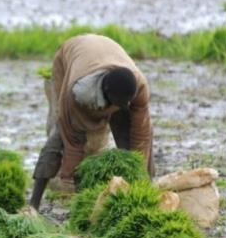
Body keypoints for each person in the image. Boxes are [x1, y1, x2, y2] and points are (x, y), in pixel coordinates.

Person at [29, 34, 155, 209]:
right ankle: (34, 202)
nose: (125, 106)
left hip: (107, 54)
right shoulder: (78, 93)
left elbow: (142, 135)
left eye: (127, 102)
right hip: (72, 59)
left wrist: (140, 172)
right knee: (57, 138)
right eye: (119, 103)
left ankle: (141, 193)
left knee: (133, 137)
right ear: (106, 93)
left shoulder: (138, 86)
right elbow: (72, 140)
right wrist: (71, 181)